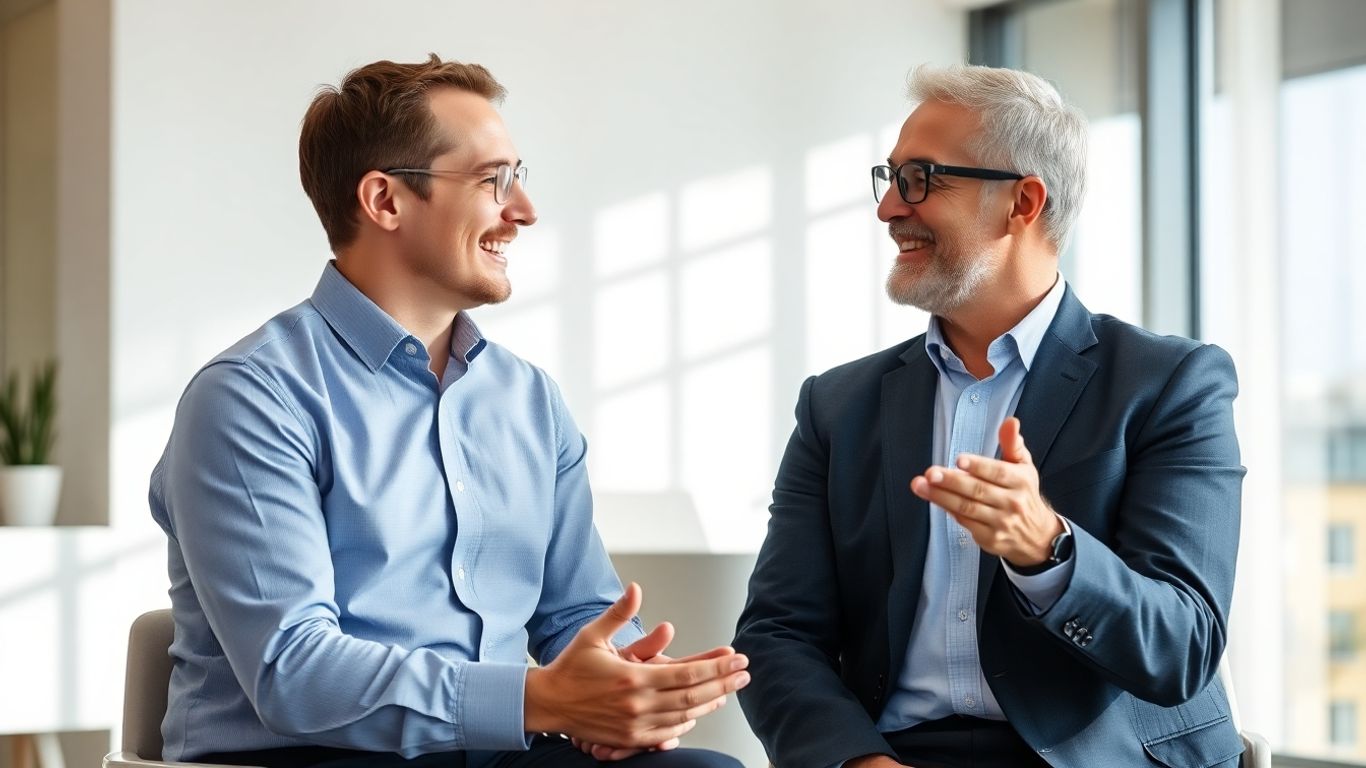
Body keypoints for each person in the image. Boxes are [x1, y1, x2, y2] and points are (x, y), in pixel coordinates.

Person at [149, 54, 748, 768]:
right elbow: (294, 672)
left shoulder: (527, 400)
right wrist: (544, 700)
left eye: (519, 179)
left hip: (491, 752)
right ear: (386, 201)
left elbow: (578, 610)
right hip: (308, 756)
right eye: (494, 181)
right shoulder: (251, 397)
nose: (523, 212)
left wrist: (623, 689)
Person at [732, 64, 1245, 768]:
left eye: (921, 180)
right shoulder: (837, 406)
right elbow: (778, 635)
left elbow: (1182, 648)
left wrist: (1048, 551)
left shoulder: (1170, 385)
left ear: (1022, 202)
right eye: (890, 179)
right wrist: (858, 763)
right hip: (894, 753)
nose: (888, 210)